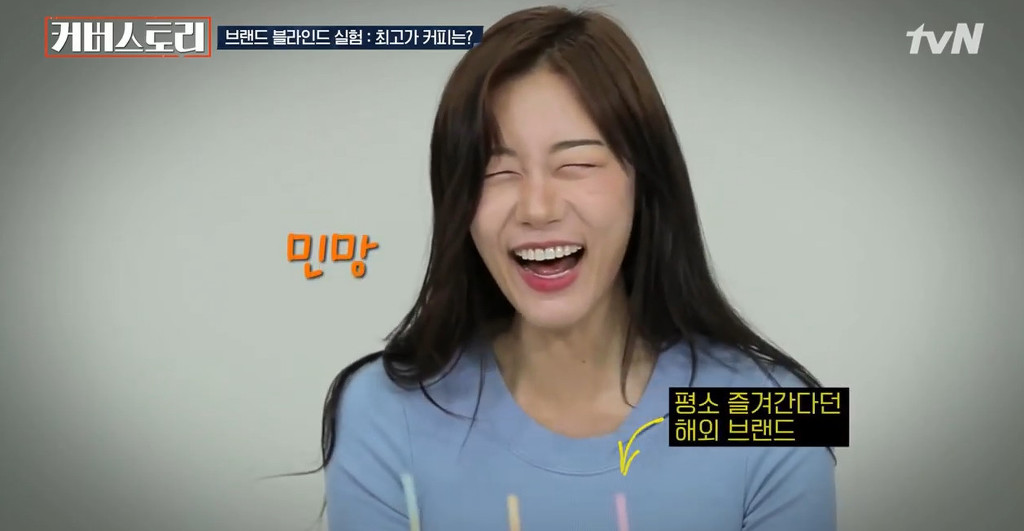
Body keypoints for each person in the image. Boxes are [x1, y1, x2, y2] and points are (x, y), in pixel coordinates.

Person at [318, 6, 836, 530]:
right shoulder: (385, 411)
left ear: (644, 181)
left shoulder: (773, 410)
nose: (536, 207)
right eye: (497, 171)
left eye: (577, 164)